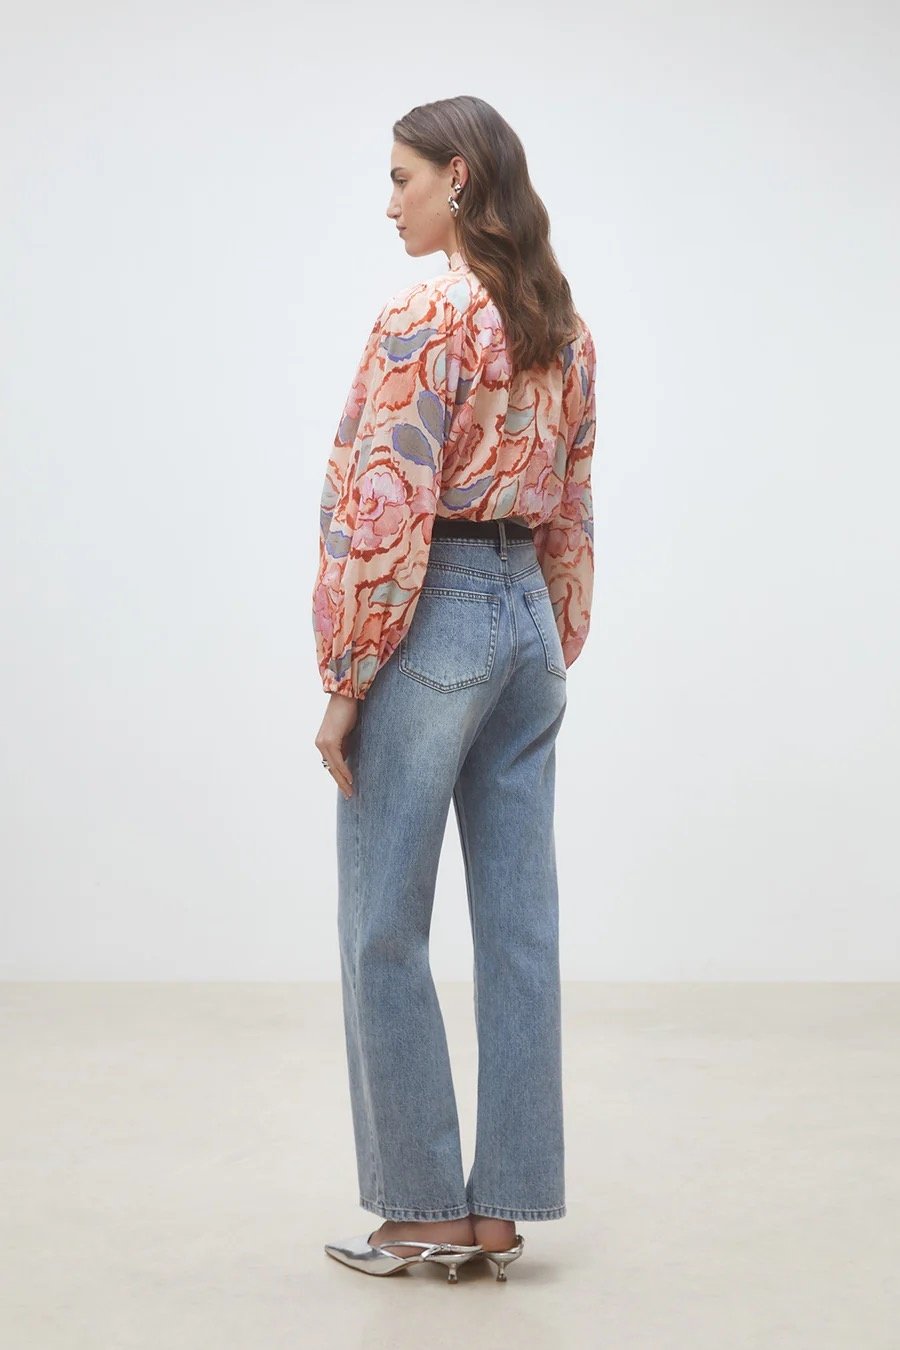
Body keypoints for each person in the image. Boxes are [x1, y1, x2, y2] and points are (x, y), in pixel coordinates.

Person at [312, 95, 596, 1283]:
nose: (390, 203)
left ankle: (420, 1207)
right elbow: (574, 497)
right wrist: (550, 635)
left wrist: (347, 679)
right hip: (526, 619)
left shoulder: (423, 314)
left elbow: (381, 505)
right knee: (520, 926)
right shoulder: (562, 325)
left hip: (432, 616)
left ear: (459, 178)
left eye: (402, 178)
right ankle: (502, 1208)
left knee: (384, 917)